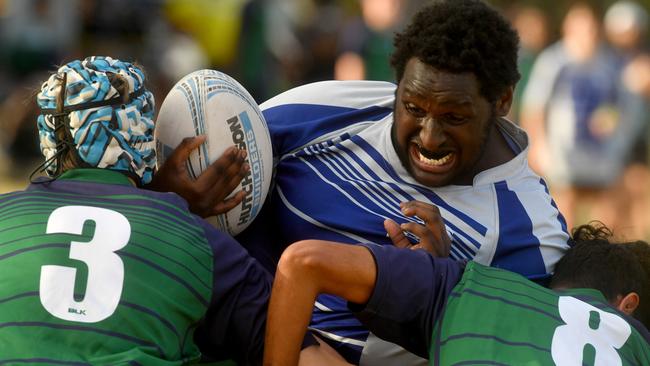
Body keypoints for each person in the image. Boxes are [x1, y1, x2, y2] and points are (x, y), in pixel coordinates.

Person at [158, 1, 570, 364]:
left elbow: (513, 350)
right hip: (212, 326)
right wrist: (169, 197)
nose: (428, 136)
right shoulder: (329, 108)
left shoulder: (531, 234)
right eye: (412, 108)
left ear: (501, 101)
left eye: (454, 117)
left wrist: (442, 289)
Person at [0, 56, 337, 365]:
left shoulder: (6, 218)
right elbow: (308, 358)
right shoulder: (197, 241)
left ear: (47, 136)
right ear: (144, 134)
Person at [263, 223, 650, 365]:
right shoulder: (638, 342)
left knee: (307, 350)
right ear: (627, 307)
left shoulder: (474, 285)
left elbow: (302, 262)